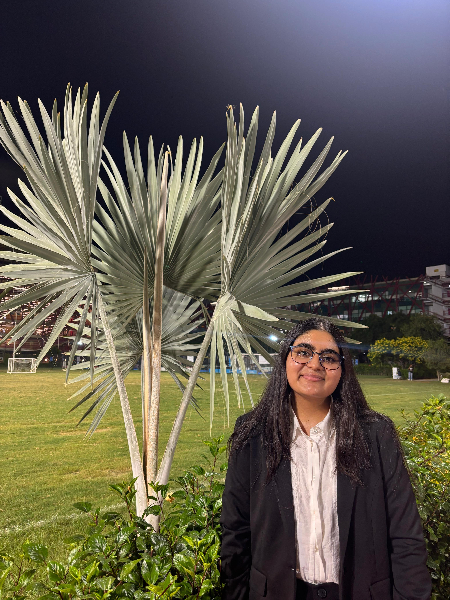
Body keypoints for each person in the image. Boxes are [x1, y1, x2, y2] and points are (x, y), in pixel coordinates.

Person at [220, 317, 431, 600]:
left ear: (342, 370)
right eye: (303, 352)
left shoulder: (376, 434)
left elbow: (406, 536)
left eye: (329, 357)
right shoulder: (253, 434)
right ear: (285, 359)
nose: (315, 364)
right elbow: (236, 530)